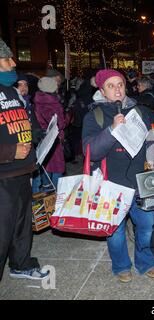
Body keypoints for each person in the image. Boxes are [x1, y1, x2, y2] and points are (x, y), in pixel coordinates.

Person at [82, 69, 154, 282]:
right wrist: (111, 129)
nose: (117, 89)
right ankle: (121, 266)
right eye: (111, 85)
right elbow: (91, 151)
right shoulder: (95, 115)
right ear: (102, 90)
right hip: (112, 186)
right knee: (115, 233)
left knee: (146, 228)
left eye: (120, 84)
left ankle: (145, 262)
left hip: (141, 182)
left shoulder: (140, 111)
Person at [0, 38, 49, 281]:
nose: (13, 62)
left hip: (22, 171)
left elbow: (23, 124)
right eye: (7, 58)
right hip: (3, 175)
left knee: (21, 225)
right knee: (2, 231)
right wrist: (9, 152)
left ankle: (21, 264)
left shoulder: (12, 90)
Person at [34, 77, 71, 190]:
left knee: (46, 164)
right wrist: (69, 115)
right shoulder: (52, 103)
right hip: (54, 138)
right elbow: (61, 124)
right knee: (57, 167)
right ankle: (56, 192)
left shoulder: (38, 100)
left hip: (43, 137)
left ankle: (47, 187)